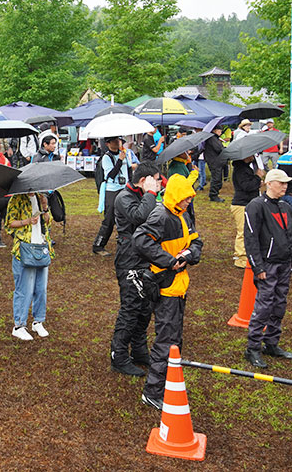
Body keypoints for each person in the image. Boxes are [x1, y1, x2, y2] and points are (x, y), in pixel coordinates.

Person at [132, 173, 202, 410]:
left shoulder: (183, 215)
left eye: (190, 198)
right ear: (176, 196)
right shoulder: (160, 215)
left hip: (179, 287)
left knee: (174, 340)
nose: (189, 201)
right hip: (167, 288)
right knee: (166, 340)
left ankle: (169, 383)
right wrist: (169, 261)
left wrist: (189, 255)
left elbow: (196, 242)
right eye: (186, 198)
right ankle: (153, 391)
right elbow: (140, 240)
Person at [242, 169, 292, 368]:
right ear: (269, 183)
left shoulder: (285, 206)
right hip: (267, 265)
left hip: (284, 265)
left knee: (279, 305)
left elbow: (291, 238)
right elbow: (251, 238)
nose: (285, 186)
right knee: (263, 307)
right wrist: (258, 267)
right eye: (281, 183)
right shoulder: (255, 206)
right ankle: (252, 348)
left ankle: (271, 343)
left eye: (286, 183)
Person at [110, 163, 161, 376]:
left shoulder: (143, 196)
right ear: (143, 181)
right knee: (130, 308)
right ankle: (119, 356)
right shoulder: (124, 198)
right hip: (129, 260)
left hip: (145, 257)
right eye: (156, 180)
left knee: (145, 308)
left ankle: (139, 350)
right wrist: (150, 193)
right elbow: (139, 217)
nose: (159, 184)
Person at [5, 191, 53, 340]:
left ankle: (38, 321)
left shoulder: (39, 197)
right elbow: (9, 223)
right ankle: (19, 325)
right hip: (24, 249)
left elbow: (48, 222)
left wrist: (45, 208)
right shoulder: (17, 199)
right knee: (24, 289)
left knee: (41, 288)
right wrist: (26, 221)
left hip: (41, 247)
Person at [92, 136, 130, 257]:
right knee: (109, 219)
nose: (117, 142)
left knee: (127, 217)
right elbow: (111, 175)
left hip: (124, 188)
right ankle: (98, 245)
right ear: (108, 144)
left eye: (118, 140)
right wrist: (120, 160)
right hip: (112, 190)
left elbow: (129, 171)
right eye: (114, 141)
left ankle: (126, 242)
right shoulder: (106, 157)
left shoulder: (124, 154)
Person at [230, 155, 264, 269]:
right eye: (252, 154)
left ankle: (246, 256)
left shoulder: (244, 168)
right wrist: (257, 177)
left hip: (246, 203)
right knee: (242, 231)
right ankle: (240, 259)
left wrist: (257, 181)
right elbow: (247, 186)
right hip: (241, 204)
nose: (253, 156)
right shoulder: (241, 169)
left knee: (249, 230)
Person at [203, 125, 226, 202]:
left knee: (217, 178)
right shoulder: (212, 138)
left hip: (215, 161)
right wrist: (224, 149)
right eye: (219, 130)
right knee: (216, 179)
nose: (220, 132)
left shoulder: (214, 138)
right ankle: (213, 195)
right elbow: (218, 148)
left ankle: (214, 194)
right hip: (214, 162)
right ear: (214, 130)